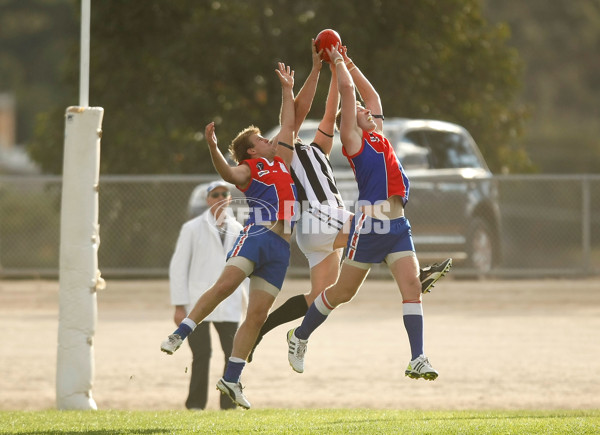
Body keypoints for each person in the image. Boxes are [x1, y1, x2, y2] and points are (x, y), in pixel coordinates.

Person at [247, 41, 452, 363]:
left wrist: (329, 67)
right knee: (374, 225)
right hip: (320, 218)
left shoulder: (315, 147)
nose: (270, 140)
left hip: (322, 226)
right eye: (263, 141)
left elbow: (331, 111)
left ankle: (267, 330)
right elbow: (293, 117)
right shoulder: (282, 154)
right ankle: (414, 275)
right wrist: (309, 77)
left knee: (325, 295)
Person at [160, 62, 297, 410]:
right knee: (224, 288)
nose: (269, 140)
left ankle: (231, 380)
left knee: (257, 316)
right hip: (258, 235)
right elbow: (227, 171)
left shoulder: (282, 160)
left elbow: (289, 122)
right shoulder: (252, 167)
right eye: (261, 140)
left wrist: (286, 89)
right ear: (251, 151)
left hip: (281, 248)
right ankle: (182, 333)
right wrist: (213, 147)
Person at [168, 180, 247, 410]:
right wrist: (179, 306)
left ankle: (229, 404)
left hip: (230, 304)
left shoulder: (240, 230)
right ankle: (195, 405)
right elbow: (178, 267)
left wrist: (250, 306)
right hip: (197, 305)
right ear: (207, 199)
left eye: (225, 193)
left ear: (230, 198)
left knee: (233, 355)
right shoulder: (191, 228)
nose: (220, 197)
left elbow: (247, 272)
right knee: (202, 354)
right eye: (215, 194)